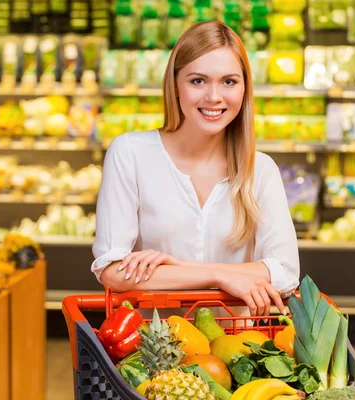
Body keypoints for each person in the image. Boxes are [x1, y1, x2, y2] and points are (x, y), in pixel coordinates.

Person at [91, 21, 299, 317]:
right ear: (175, 85)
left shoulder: (260, 170)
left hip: (237, 349)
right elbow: (112, 270)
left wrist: (179, 269)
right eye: (198, 81)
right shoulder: (130, 153)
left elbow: (285, 271)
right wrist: (221, 276)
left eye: (229, 81)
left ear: (244, 89)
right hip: (151, 353)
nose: (214, 96)